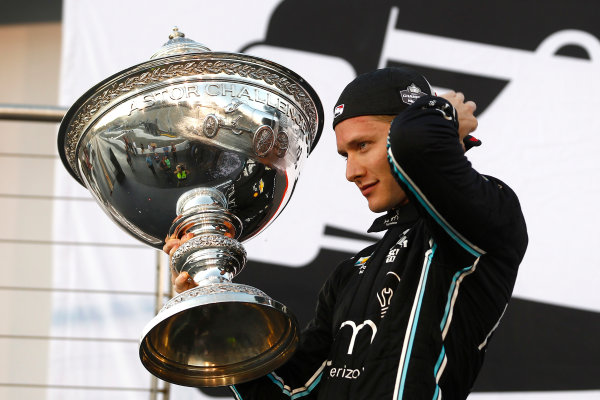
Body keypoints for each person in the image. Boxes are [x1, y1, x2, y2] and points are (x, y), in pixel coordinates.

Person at [165, 67, 528, 399]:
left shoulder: (486, 217)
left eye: (363, 146)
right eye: (345, 155)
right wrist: (214, 303)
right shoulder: (351, 272)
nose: (351, 172)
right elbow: (287, 392)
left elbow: (416, 141)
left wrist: (442, 116)